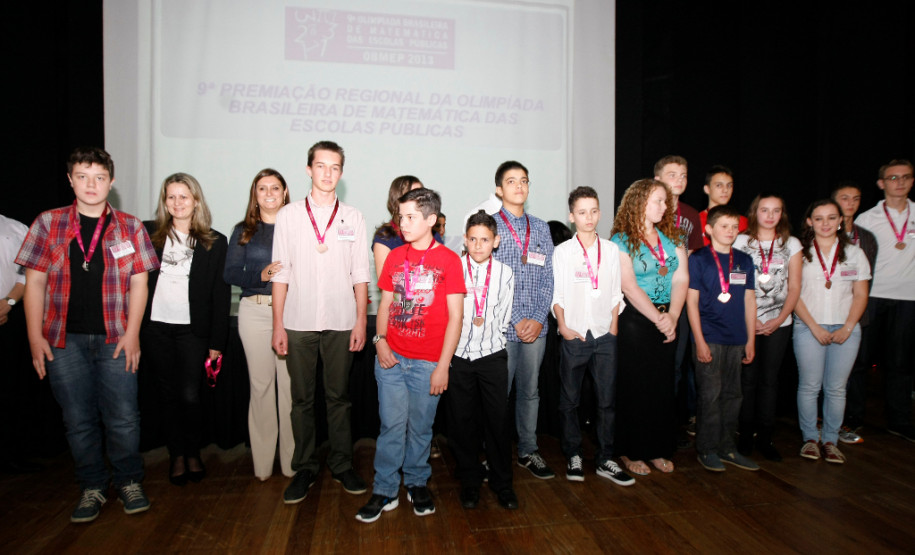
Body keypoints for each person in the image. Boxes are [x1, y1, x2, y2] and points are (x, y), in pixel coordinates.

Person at [16, 147, 158, 522]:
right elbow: (34, 283)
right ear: (70, 180)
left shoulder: (131, 226)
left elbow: (140, 285)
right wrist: (34, 338)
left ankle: (128, 480)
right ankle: (92, 486)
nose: (91, 184)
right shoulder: (48, 223)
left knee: (124, 418)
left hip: (116, 337)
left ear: (111, 181)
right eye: (83, 176)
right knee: (77, 420)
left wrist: (133, 335)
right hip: (62, 341)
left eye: (99, 177)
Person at [356, 188, 465, 523]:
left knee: (420, 428)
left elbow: (456, 317)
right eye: (400, 216)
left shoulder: (449, 260)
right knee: (391, 426)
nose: (403, 223)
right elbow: (385, 304)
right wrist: (380, 340)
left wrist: (442, 367)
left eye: (411, 217)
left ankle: (417, 482)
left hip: (429, 363)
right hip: (392, 359)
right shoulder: (394, 256)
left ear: (431, 220)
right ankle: (385, 488)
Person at [272, 141, 370, 504]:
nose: (327, 173)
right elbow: (280, 273)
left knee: (339, 398)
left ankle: (343, 464)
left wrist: (361, 320)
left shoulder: (354, 217)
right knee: (301, 399)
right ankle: (305, 468)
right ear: (309, 169)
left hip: (343, 319)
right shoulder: (289, 216)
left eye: (335, 167)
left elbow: (360, 273)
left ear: (341, 173)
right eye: (321, 166)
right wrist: (278, 324)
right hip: (297, 320)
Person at [142, 172, 230, 485]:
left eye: (184, 196)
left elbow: (220, 295)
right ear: (164, 202)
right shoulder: (148, 233)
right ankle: (176, 454)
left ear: (196, 200)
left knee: (191, 395)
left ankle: (193, 451)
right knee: (166, 395)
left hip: (193, 331)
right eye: (171, 197)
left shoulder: (215, 241)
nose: (178, 203)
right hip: (155, 329)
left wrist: (217, 340)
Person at [553, 187, 633, 486]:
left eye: (594, 211)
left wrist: (612, 328)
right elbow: (558, 294)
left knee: (607, 401)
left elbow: (615, 293)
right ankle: (573, 453)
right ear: (572, 216)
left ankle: (605, 458)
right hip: (574, 334)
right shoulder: (562, 252)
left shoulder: (611, 250)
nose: (589, 217)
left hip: (604, 336)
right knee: (569, 401)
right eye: (582, 212)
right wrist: (563, 328)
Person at [610, 179, 688, 476]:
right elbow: (628, 286)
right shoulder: (621, 239)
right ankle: (632, 452)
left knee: (662, 385)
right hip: (636, 321)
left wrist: (674, 316)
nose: (665, 207)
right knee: (636, 387)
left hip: (669, 317)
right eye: (659, 200)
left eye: (665, 202)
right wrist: (659, 318)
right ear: (640, 202)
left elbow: (681, 278)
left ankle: (657, 449)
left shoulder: (673, 236)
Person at [223, 168, 293, 480]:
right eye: (262, 189)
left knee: (291, 390)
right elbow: (230, 273)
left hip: (292, 314)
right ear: (255, 194)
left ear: (284, 192)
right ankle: (263, 465)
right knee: (261, 388)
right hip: (255, 312)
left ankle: (293, 464)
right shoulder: (244, 230)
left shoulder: (299, 228)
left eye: (274, 188)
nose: (268, 194)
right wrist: (260, 275)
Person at [448, 210, 518, 510]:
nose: (478, 246)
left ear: (496, 241)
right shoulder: (453, 268)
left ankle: (502, 483)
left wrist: (489, 335)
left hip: (491, 355)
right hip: (459, 356)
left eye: (485, 240)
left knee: (498, 422)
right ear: (465, 240)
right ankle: (470, 482)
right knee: (463, 422)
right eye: (473, 239)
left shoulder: (505, 273)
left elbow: (503, 317)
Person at [491, 161, 556, 479]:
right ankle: (494, 453)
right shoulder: (489, 227)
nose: (519, 186)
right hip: (501, 327)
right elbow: (489, 280)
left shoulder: (541, 228)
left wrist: (539, 318)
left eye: (524, 181)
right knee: (498, 393)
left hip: (537, 326)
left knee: (530, 391)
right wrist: (517, 319)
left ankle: (528, 451)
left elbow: (549, 278)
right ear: (499, 189)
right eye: (511, 181)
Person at [793, 199, 870, 464]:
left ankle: (830, 440)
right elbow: (794, 295)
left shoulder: (855, 253)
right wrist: (813, 327)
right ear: (809, 222)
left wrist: (848, 327)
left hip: (845, 329)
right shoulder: (799, 253)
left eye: (831, 217)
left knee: (836, 389)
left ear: (840, 221)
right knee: (810, 386)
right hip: (807, 327)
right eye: (819, 218)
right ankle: (810, 440)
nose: (825, 223)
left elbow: (861, 294)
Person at [686, 205, 758, 472]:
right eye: (724, 226)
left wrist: (750, 340)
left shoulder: (744, 260)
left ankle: (728, 448)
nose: (730, 231)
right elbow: (691, 303)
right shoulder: (699, 259)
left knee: (733, 396)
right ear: (709, 229)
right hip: (710, 337)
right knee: (710, 395)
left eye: (733, 226)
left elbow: (750, 301)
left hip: (737, 338)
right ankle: (707, 449)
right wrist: (700, 341)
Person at [732, 194, 801, 462]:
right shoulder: (740, 241)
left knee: (769, 381)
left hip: (779, 323)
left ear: (782, 214)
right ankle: (745, 436)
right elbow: (734, 283)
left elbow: (795, 287)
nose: (770, 215)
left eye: (776, 211)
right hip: (746, 321)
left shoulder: (791, 243)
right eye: (764, 210)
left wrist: (779, 317)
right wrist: (753, 320)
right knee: (747, 381)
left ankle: (766, 437)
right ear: (755, 212)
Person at [852, 160, 915, 442]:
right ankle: (852, 418)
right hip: (873, 296)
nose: (899, 182)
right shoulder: (866, 219)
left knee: (900, 363)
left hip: (908, 299)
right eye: (893, 177)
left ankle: (899, 421)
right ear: (881, 183)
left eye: (905, 177)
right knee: (860, 360)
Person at [832, 182, 878, 444]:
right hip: (821, 316)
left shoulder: (867, 238)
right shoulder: (817, 234)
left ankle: (851, 422)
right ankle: (819, 424)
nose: (850, 203)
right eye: (844, 198)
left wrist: (854, 319)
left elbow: (866, 281)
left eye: (855, 199)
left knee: (856, 370)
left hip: (855, 315)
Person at [0, 213, 43, 474]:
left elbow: (29, 273)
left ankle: (9, 456)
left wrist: (8, 304)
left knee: (8, 390)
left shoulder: (17, 228)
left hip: (9, 318)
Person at [654, 155, 703, 252]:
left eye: (683, 176)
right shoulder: (646, 210)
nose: (680, 180)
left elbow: (691, 251)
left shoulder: (692, 215)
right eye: (672, 175)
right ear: (658, 180)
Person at [698, 165, 748, 245]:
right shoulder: (695, 221)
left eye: (729, 185)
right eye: (719, 185)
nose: (725, 190)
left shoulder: (743, 222)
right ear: (707, 189)